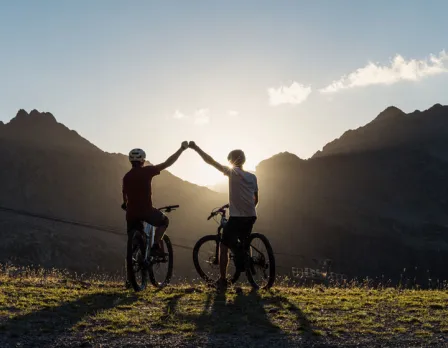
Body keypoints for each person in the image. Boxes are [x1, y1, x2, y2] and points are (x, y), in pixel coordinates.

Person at [188, 141, 259, 291]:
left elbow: (210, 161)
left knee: (224, 245)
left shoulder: (232, 173)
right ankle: (248, 263)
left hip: (237, 217)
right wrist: (244, 206)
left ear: (231, 162)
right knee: (244, 241)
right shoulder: (253, 177)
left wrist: (196, 148)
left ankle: (222, 280)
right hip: (251, 215)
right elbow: (255, 199)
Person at [122, 142, 189, 258]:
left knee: (135, 238)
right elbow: (168, 163)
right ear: (143, 160)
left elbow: (125, 197)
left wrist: (125, 205)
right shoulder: (147, 171)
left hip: (131, 214)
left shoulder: (126, 177)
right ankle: (156, 246)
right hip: (146, 211)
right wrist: (181, 149)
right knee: (164, 221)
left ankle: (134, 257)